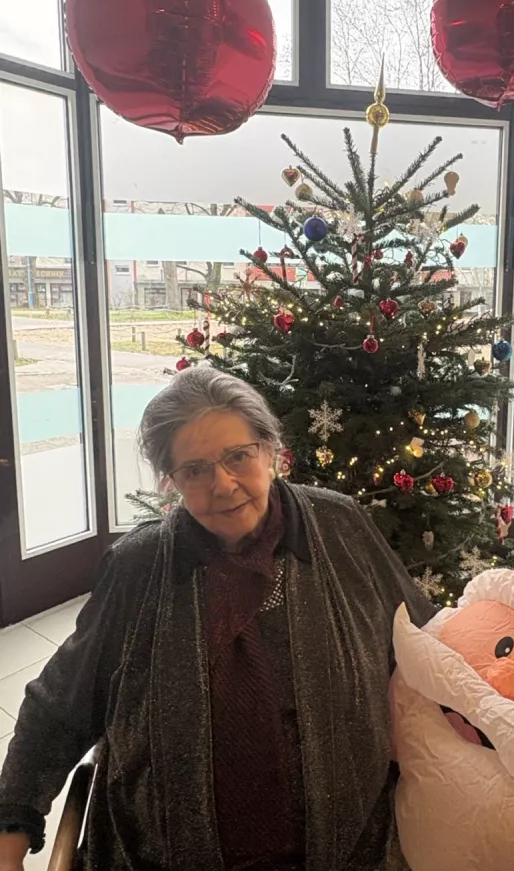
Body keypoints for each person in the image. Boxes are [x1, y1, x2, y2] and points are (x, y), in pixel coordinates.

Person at [0, 365, 435, 871]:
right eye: (195, 470)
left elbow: (424, 644)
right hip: (152, 859)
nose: (223, 485)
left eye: (238, 456)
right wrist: (11, 830)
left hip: (352, 853)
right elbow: (58, 707)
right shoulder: (138, 567)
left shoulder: (341, 526)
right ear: (172, 482)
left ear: (270, 451)